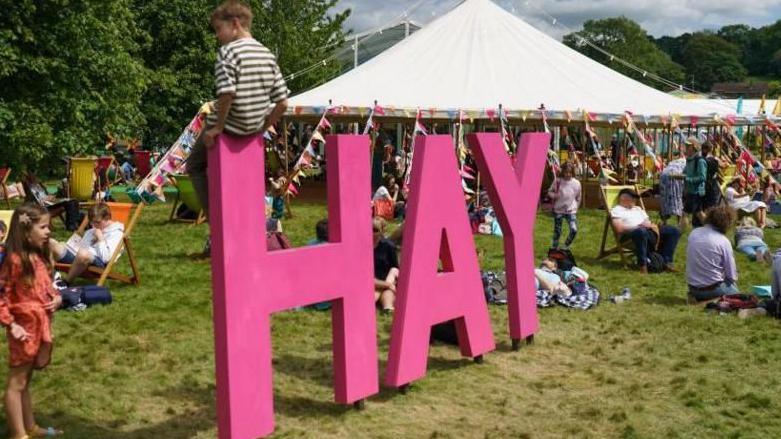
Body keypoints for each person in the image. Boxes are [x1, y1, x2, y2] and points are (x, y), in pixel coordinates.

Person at [187, 0, 289, 253]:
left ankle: (216, 224)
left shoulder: (229, 52)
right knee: (243, 181)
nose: (218, 37)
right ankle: (247, 227)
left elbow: (227, 94)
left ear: (234, 25)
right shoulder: (266, 53)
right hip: (253, 129)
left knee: (195, 165)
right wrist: (263, 126)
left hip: (230, 125)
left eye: (218, 30)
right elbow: (282, 102)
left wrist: (217, 128)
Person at [0, 204, 63, 439]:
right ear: (26, 231)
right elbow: (1, 294)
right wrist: (11, 324)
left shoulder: (38, 257)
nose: (48, 232)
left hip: (39, 327)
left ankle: (30, 427)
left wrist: (56, 299)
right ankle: (18, 434)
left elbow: (48, 289)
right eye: (43, 227)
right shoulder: (15, 260)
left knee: (26, 381)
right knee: (16, 383)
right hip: (23, 330)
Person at [610, 189, 681, 273]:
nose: (635, 200)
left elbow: (647, 222)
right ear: (623, 198)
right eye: (632, 198)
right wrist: (638, 226)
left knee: (673, 231)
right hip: (631, 235)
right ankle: (643, 265)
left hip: (648, 232)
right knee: (641, 231)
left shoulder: (637, 209)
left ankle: (666, 262)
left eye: (635, 198)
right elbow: (619, 229)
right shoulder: (617, 210)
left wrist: (652, 225)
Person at [50, 203, 124, 284]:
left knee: (83, 254)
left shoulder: (116, 233)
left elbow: (106, 258)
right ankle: (51, 277)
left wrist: (100, 239)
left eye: (97, 222)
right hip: (80, 260)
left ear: (107, 218)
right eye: (92, 222)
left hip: (97, 263)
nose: (93, 226)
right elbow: (81, 248)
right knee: (51, 243)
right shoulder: (92, 231)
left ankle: (65, 282)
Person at [686, 206, 739, 302]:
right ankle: (713, 300)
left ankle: (698, 298)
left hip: (693, 288)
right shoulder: (723, 241)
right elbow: (732, 276)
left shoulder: (694, 233)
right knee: (736, 293)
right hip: (713, 288)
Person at [547, 163, 581, 249]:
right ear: (563, 172)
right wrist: (554, 195)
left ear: (572, 172)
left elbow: (578, 196)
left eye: (570, 172)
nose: (568, 174)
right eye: (566, 172)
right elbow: (549, 191)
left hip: (571, 211)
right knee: (557, 231)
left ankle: (566, 246)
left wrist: (576, 207)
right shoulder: (557, 181)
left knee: (574, 229)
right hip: (558, 210)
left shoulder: (576, 183)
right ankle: (554, 248)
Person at [679, 137, 708, 227]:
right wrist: (679, 176)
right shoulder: (689, 160)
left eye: (689, 146)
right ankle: (710, 228)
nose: (686, 147)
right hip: (690, 191)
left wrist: (688, 179)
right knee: (697, 213)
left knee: (689, 213)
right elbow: (685, 173)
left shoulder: (700, 161)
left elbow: (702, 177)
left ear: (694, 147)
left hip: (696, 192)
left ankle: (679, 232)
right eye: (686, 145)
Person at [372, 217, 398, 313]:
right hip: (370, 281)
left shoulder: (389, 246)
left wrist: (387, 283)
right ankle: (387, 304)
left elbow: (395, 267)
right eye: (369, 229)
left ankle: (388, 307)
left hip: (385, 279)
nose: (371, 233)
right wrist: (389, 285)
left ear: (382, 231)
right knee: (385, 288)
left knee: (393, 272)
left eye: (375, 230)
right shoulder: (361, 245)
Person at [659, 150, 687, 226]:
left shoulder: (673, 162)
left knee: (665, 199)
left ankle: (665, 222)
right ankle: (679, 222)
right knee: (678, 198)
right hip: (675, 176)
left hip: (665, 176)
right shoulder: (685, 162)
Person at [701, 142, 724, 211]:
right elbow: (720, 168)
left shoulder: (701, 160)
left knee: (704, 205)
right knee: (712, 204)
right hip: (711, 184)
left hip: (704, 184)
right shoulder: (714, 160)